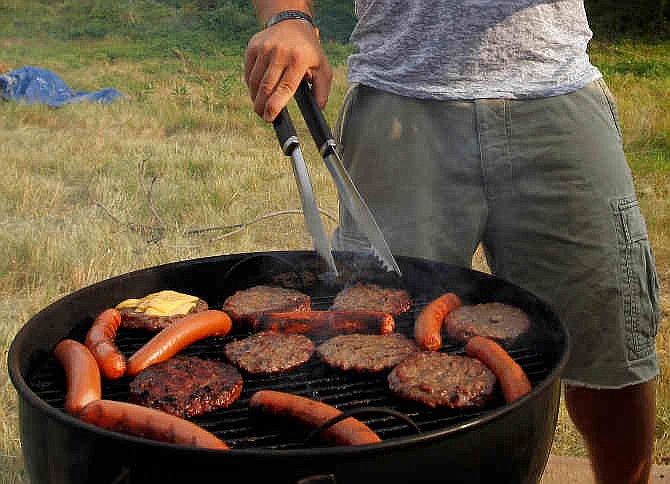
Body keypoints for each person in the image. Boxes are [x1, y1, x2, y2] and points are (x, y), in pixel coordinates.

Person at [243, 2, 661, 482]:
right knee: (369, 343)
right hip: (398, 102)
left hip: (555, 90)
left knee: (611, 343)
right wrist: (289, 17)